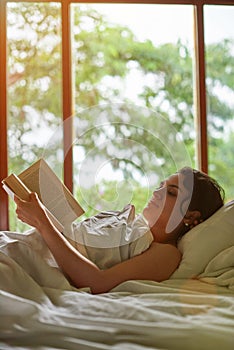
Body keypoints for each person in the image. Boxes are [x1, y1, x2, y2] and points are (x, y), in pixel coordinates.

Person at [14, 166, 225, 294]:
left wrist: (43, 223)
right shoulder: (128, 220)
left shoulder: (165, 253)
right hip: (27, 244)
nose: (157, 192)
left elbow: (97, 282)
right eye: (160, 185)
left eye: (170, 192)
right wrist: (40, 215)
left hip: (36, 261)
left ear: (190, 216)